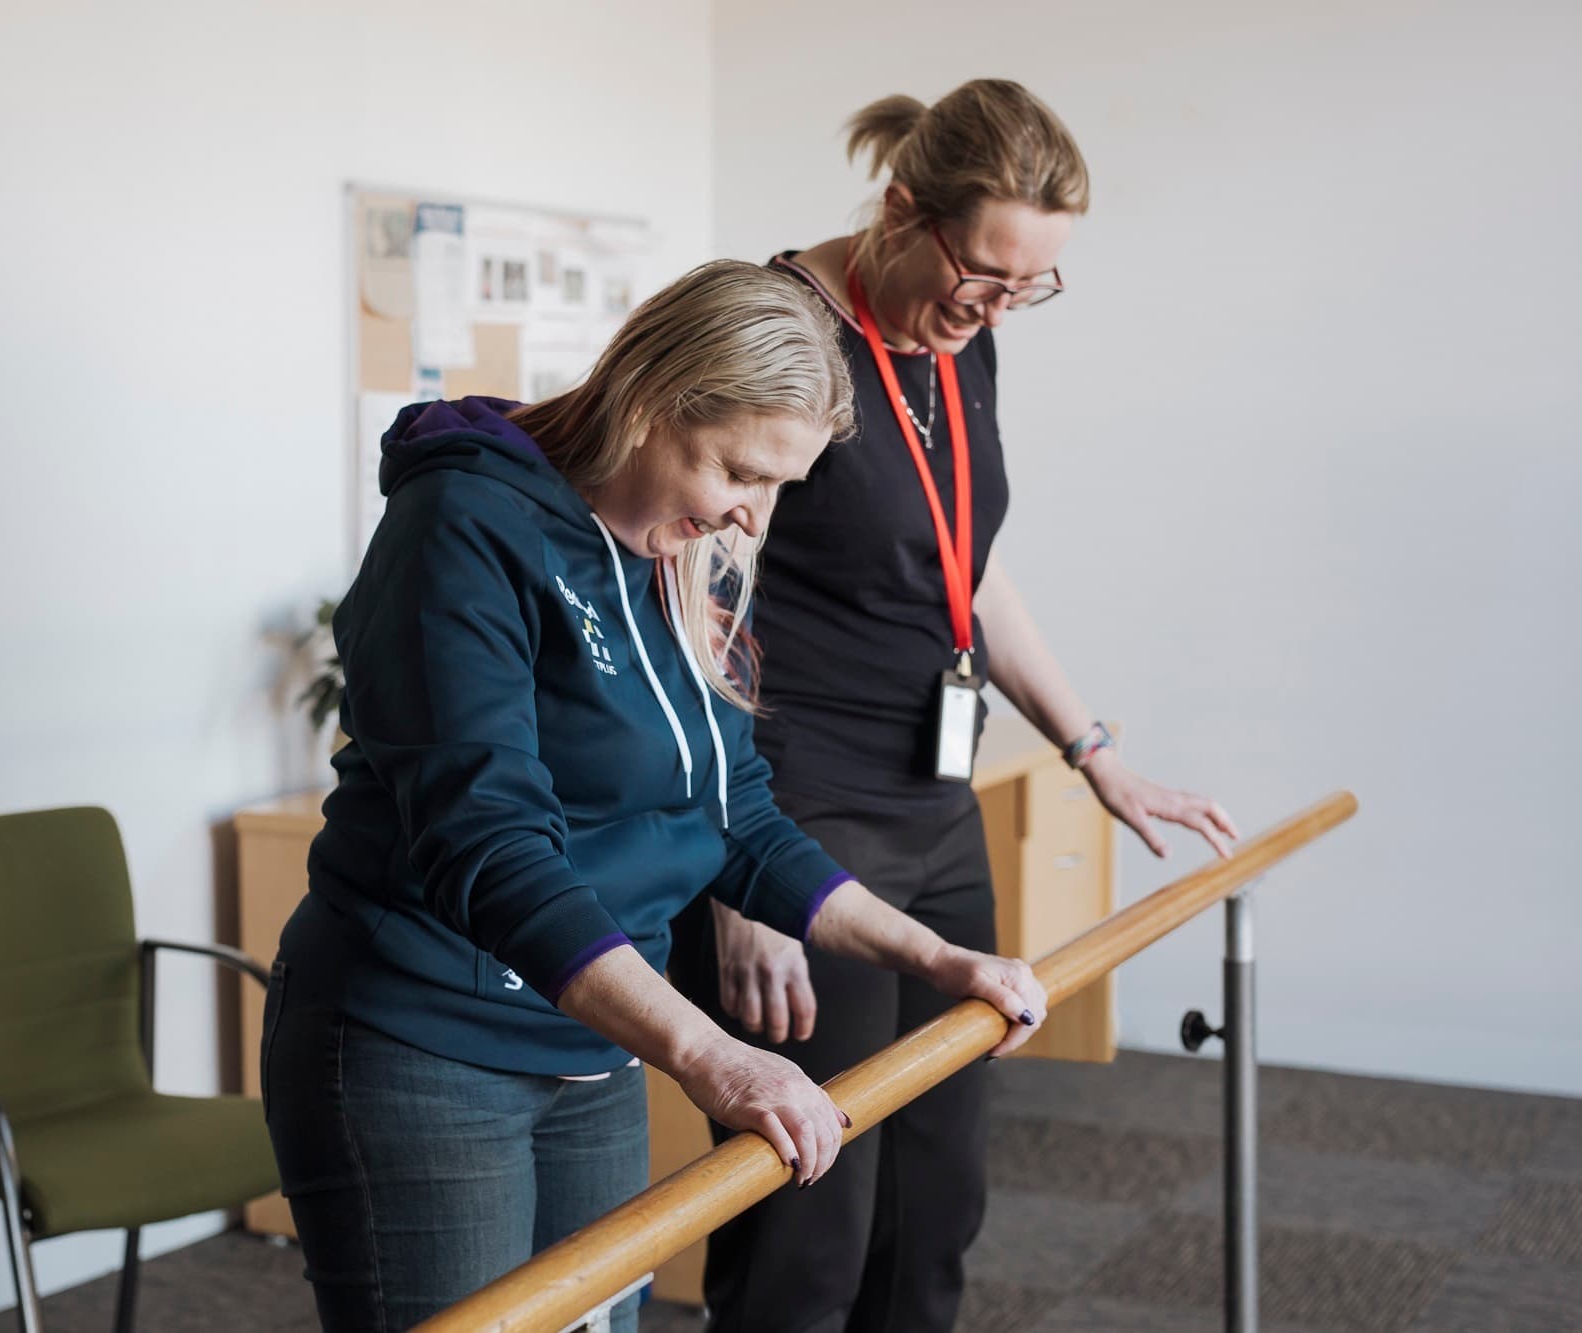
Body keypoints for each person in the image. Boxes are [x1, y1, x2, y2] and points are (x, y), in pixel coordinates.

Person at [260, 260, 1050, 1332]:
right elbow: (487, 844)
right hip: (425, 1042)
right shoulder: (463, 526)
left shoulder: (674, 556)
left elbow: (737, 818)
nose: (750, 516)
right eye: (738, 471)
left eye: (778, 487)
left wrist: (933, 957)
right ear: (650, 402)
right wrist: (709, 1052)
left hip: (588, 1042)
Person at [669, 83, 1241, 1333]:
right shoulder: (778, 332)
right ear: (898, 211)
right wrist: (731, 877)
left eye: (1028, 287)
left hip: (933, 808)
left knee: (934, 1205)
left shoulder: (955, 332)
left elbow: (963, 566)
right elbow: (687, 608)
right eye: (983, 273)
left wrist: (1092, 752)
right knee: (806, 1222)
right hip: (796, 816)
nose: (993, 308)